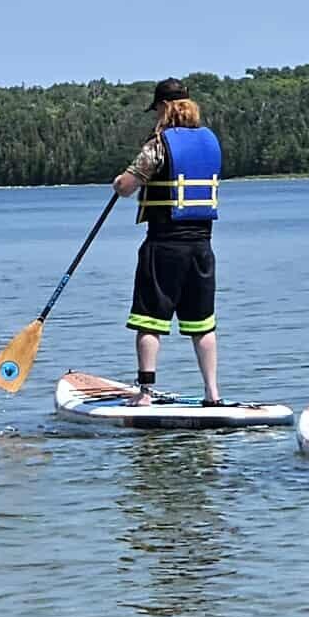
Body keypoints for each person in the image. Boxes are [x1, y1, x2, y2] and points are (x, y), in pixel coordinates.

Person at [112, 78, 222, 405]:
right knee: (202, 323)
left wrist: (118, 183)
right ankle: (213, 394)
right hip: (202, 245)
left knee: (149, 320)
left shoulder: (159, 144)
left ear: (163, 108)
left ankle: (144, 393)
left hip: (164, 243)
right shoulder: (210, 141)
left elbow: (128, 185)